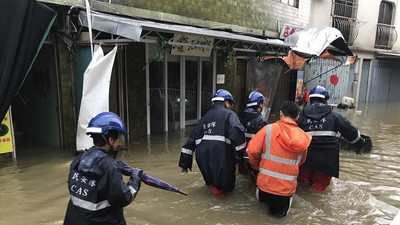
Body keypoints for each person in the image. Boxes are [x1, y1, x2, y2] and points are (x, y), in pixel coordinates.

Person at [64, 112, 142, 225]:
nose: (119, 141)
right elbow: (123, 198)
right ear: (110, 140)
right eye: (117, 138)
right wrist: (135, 178)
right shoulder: (110, 167)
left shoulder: (78, 160)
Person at [247, 100, 311, 217]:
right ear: (297, 117)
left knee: (258, 216)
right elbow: (301, 161)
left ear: (281, 113)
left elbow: (252, 151)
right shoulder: (303, 137)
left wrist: (256, 166)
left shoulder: (268, 130)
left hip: (264, 186)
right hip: (284, 191)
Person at [296, 85, 366, 192]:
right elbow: (351, 132)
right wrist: (359, 144)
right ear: (325, 100)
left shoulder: (301, 117)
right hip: (327, 161)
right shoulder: (334, 116)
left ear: (310, 99)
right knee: (318, 188)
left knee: (302, 185)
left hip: (305, 160)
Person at [178, 89, 246, 197]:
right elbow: (237, 132)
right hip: (221, 157)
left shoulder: (204, 118)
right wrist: (243, 155)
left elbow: (191, 140)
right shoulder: (230, 114)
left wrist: (185, 163)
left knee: (211, 183)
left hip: (203, 158)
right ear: (227, 103)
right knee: (224, 188)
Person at [238, 91, 267, 176]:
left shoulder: (238, 116)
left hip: (240, 154)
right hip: (253, 156)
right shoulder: (261, 121)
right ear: (260, 104)